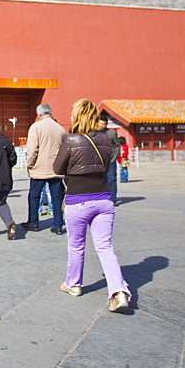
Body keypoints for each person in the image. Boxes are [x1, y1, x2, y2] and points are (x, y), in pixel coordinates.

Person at [53, 99, 130, 313]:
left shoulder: (71, 140)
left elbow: (58, 167)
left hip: (78, 199)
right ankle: (119, 291)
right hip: (104, 199)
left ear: (76, 116)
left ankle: (73, 284)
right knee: (105, 247)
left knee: (76, 245)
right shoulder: (105, 139)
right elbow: (105, 165)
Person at [24, 104, 67, 234]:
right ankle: (58, 225)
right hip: (56, 168)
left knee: (34, 196)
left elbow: (32, 149)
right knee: (57, 197)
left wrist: (29, 164)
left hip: (39, 168)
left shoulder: (36, 127)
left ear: (39, 114)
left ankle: (33, 223)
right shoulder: (60, 129)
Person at [97, 114, 121, 203]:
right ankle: (101, 197)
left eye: (104, 124)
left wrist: (115, 156)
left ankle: (112, 198)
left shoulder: (111, 133)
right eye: (101, 124)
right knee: (100, 180)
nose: (103, 126)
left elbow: (117, 144)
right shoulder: (93, 132)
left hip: (110, 160)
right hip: (98, 160)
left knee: (111, 179)